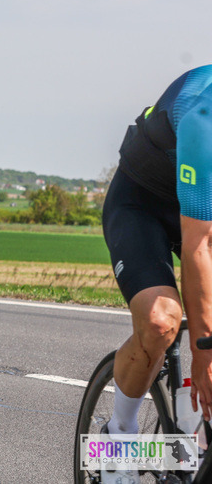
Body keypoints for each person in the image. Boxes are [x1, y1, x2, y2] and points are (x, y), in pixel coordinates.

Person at [100, 66, 212, 483]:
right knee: (161, 321)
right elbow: (198, 245)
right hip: (143, 206)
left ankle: (194, 442)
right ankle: (117, 439)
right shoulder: (205, 114)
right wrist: (204, 355)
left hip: (203, 217)